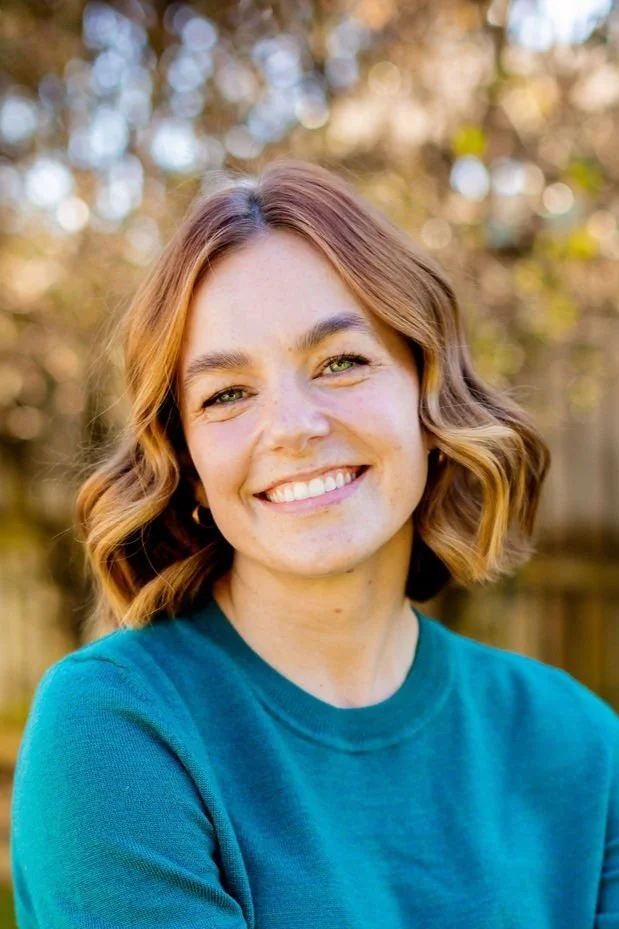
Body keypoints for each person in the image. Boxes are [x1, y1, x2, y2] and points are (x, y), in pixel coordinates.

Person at [10, 159, 619, 928]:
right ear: (189, 463)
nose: (293, 427)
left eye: (339, 362)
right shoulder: (117, 731)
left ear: (428, 396)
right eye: (227, 393)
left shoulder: (579, 747)